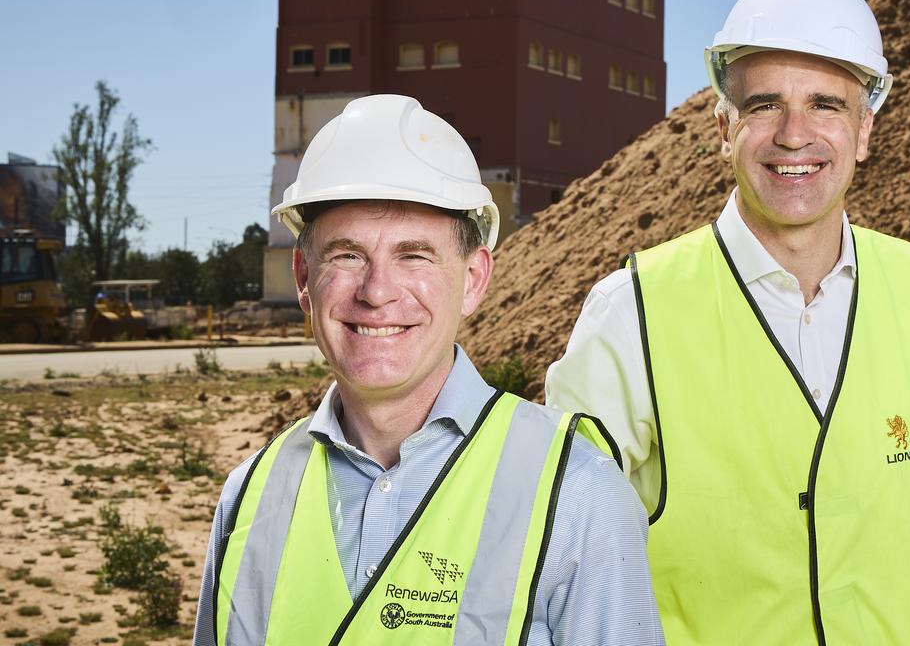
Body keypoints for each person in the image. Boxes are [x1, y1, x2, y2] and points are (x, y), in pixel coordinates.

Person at [546, 0, 910, 645]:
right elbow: (559, 554)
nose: (795, 134)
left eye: (825, 104)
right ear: (724, 126)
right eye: (764, 106)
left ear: (865, 131)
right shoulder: (633, 311)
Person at [192, 95, 662, 645]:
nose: (377, 292)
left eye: (413, 256)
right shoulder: (248, 498)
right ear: (303, 276)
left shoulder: (576, 490)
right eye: (347, 255)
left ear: (474, 279)